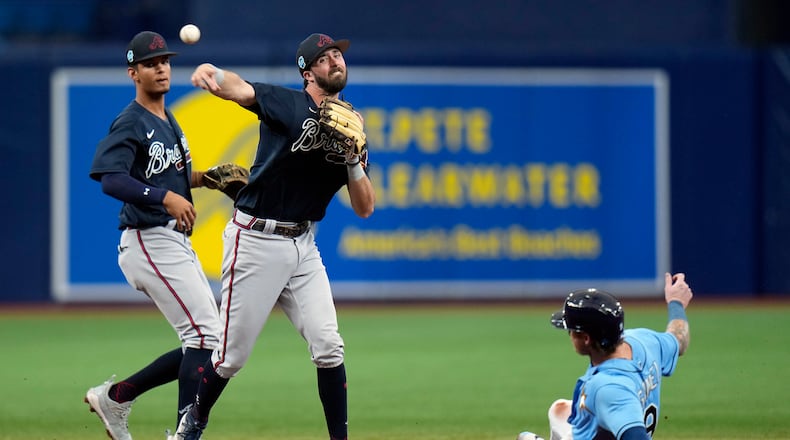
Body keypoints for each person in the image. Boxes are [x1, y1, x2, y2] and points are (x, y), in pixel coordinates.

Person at [173, 33, 375, 440]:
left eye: (338, 55)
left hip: (303, 246)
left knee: (329, 346)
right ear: (308, 71)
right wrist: (214, 74)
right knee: (230, 358)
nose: (336, 60)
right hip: (256, 241)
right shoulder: (290, 104)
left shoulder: (351, 125)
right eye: (326, 57)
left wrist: (354, 158)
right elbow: (242, 90)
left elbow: (365, 206)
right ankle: (194, 421)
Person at [84, 30, 223, 440]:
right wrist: (164, 198)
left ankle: (118, 396)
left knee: (207, 341)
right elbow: (110, 179)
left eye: (164, 61)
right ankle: (184, 433)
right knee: (205, 335)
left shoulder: (167, 117)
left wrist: (205, 179)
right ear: (134, 72)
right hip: (147, 237)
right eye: (150, 63)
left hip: (169, 238)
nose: (160, 68)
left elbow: (168, 176)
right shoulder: (131, 120)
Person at [518, 272, 693, 440]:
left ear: (586, 338)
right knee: (558, 410)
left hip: (616, 413)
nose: (569, 335)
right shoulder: (643, 340)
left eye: (571, 330)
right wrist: (676, 302)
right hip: (611, 422)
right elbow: (679, 339)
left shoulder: (609, 388)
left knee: (524, 438)